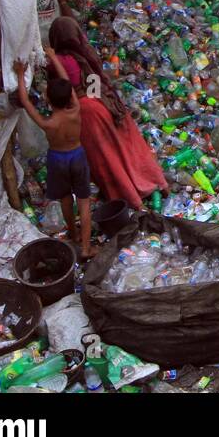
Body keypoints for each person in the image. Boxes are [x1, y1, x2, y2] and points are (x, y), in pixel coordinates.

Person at [48, 16, 167, 210]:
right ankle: (154, 182)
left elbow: (63, 86)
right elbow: (96, 84)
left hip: (84, 113)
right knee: (126, 148)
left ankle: (130, 198)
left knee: (106, 158)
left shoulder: (58, 61)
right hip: (102, 103)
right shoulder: (84, 54)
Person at [13, 58, 93, 260]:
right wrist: (54, 58)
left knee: (66, 199)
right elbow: (68, 84)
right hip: (77, 155)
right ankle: (86, 248)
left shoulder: (47, 123)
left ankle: (73, 235)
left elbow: (24, 100)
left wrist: (21, 75)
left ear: (48, 99)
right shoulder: (75, 111)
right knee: (84, 203)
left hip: (57, 158)